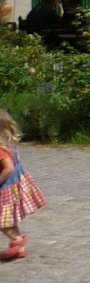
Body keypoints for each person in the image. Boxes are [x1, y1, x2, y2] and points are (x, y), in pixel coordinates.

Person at [0, 109, 44, 262]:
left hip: (5, 188)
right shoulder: (10, 145)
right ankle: (19, 249)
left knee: (2, 221)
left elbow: (8, 168)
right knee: (9, 220)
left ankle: (17, 240)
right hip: (14, 185)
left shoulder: (0, 150)